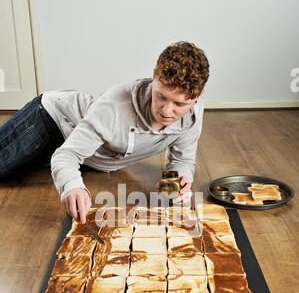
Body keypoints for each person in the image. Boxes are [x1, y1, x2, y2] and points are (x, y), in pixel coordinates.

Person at [0, 41, 209, 223]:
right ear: (154, 75)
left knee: (20, 173)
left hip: (84, 151)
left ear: (198, 96)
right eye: (161, 96)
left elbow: (182, 161)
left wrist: (175, 188)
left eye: (179, 104)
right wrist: (73, 186)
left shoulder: (192, 116)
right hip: (50, 119)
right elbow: (67, 154)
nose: (167, 110)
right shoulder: (114, 106)